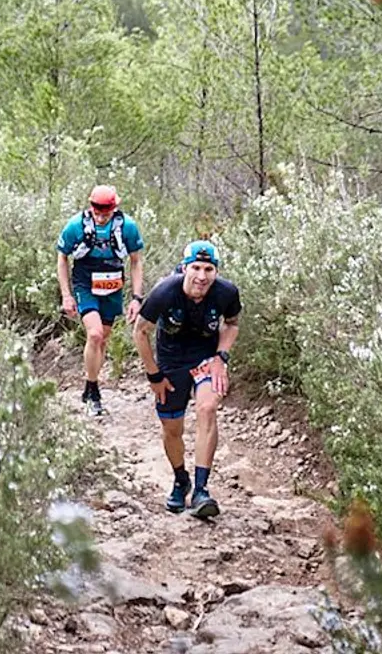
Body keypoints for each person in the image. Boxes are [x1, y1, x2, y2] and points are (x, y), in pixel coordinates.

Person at [135, 240, 242, 518]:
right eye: (196, 268)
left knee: (207, 407)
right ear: (184, 268)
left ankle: (202, 491)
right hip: (170, 362)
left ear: (216, 271)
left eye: (209, 269)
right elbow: (140, 331)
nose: (202, 276)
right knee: (172, 428)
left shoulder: (226, 292)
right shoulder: (165, 291)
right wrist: (153, 375)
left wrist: (222, 357)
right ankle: (181, 479)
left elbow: (232, 324)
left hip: (205, 357)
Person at [57, 184, 145, 417]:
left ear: (115, 207)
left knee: (103, 339)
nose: (101, 214)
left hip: (112, 283)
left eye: (106, 210)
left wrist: (137, 297)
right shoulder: (76, 226)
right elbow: (62, 258)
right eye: (97, 209)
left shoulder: (128, 227)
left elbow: (136, 261)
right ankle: (93, 390)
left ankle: (90, 383)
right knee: (94, 334)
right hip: (85, 282)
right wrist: (66, 295)